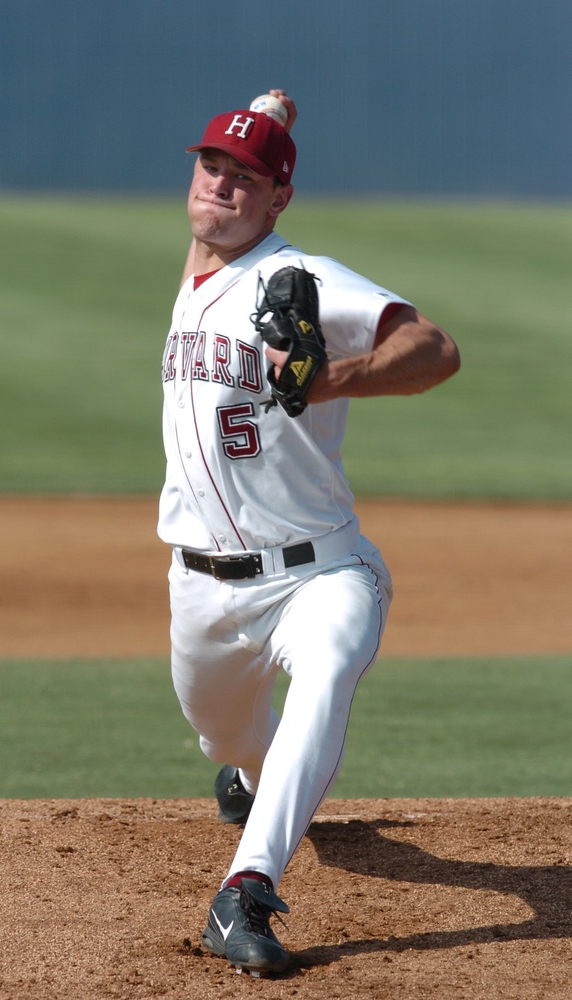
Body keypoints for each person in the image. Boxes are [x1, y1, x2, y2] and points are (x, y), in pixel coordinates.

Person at [158, 89, 460, 977]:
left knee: (327, 668)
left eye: (245, 176)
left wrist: (334, 378)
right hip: (203, 595)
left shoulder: (308, 276)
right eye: (211, 164)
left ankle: (244, 889)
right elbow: (208, 235)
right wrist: (262, 117)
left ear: (279, 198)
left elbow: (435, 349)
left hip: (322, 571)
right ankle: (250, 783)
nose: (221, 183)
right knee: (230, 743)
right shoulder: (201, 274)